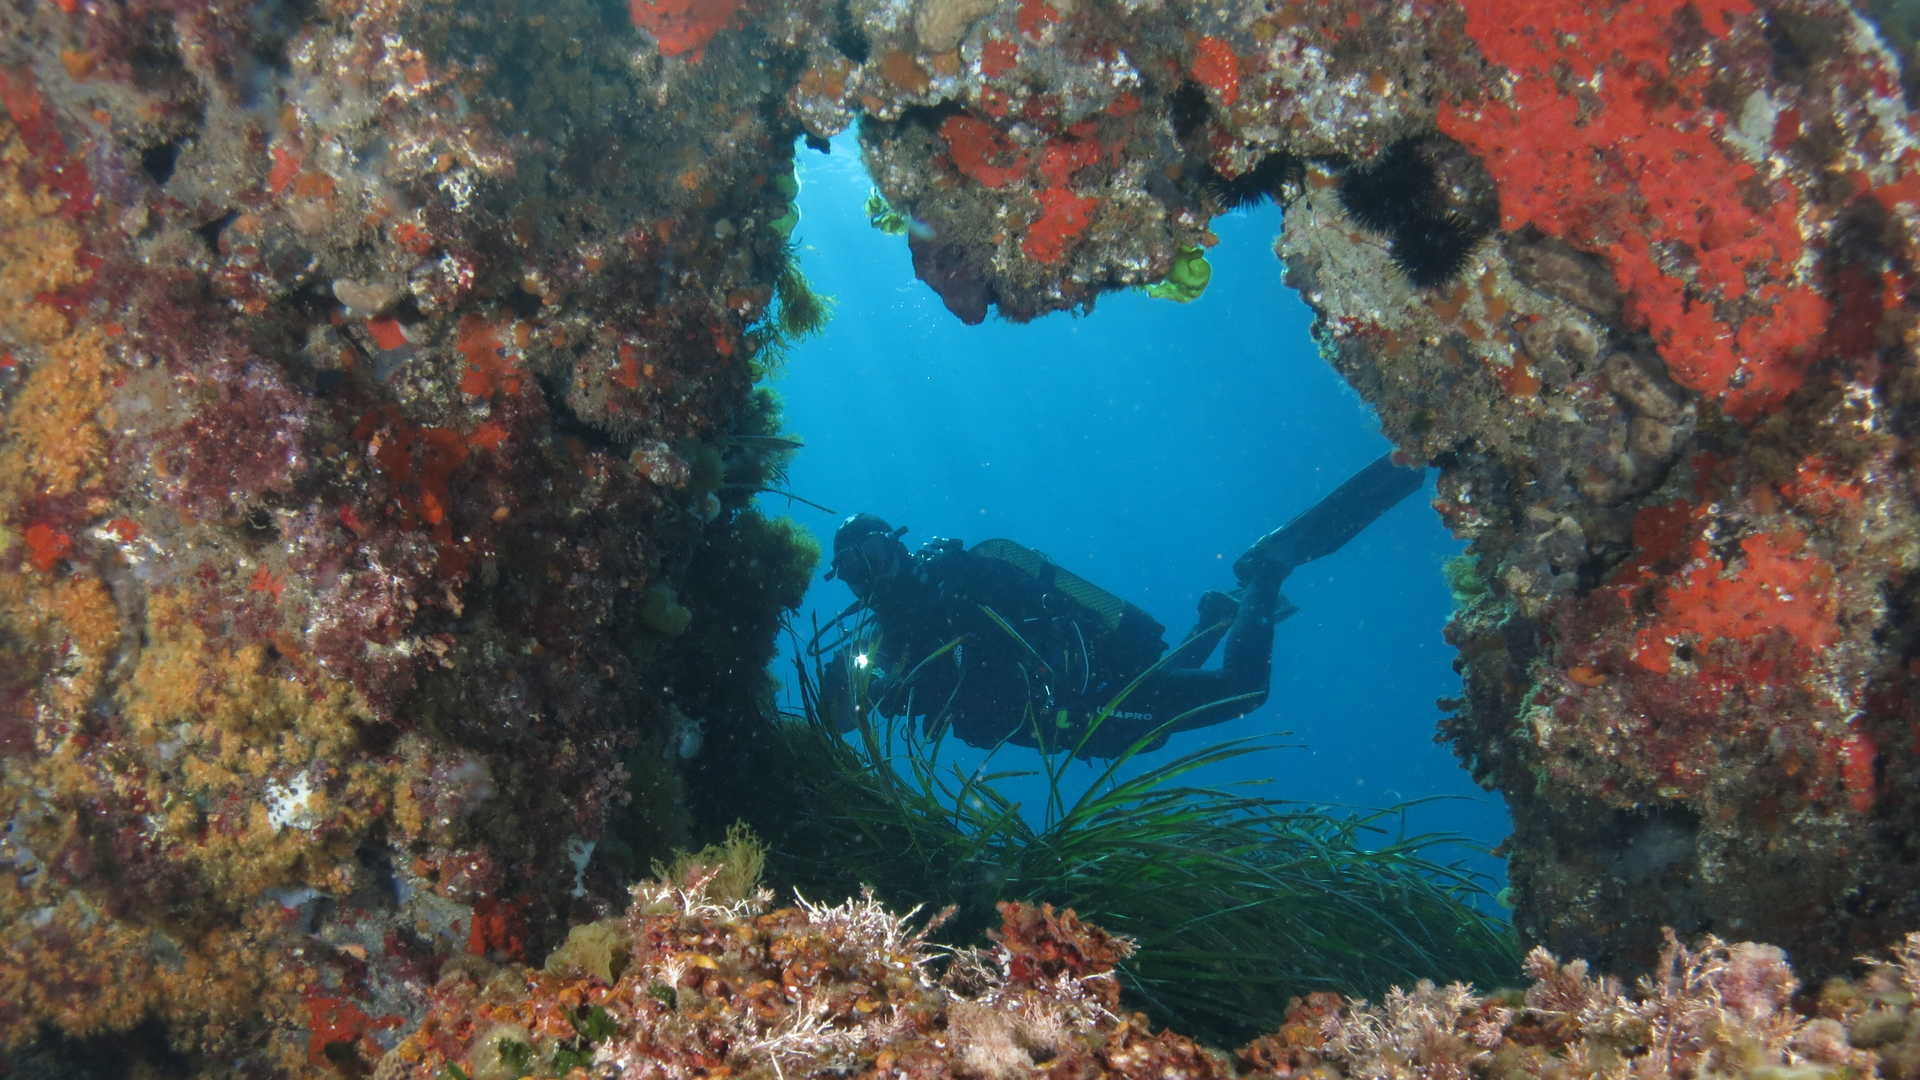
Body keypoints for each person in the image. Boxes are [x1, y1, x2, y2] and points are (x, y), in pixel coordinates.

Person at [815, 453, 1425, 758]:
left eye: (873, 554)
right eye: (851, 569)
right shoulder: (882, 646)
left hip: (1096, 692)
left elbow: (1029, 633)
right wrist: (865, 693)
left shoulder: (962, 578)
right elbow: (841, 719)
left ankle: (1268, 569)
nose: (869, 576)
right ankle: (1217, 616)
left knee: (1243, 691)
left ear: (896, 545)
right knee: (1155, 725)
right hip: (1086, 723)